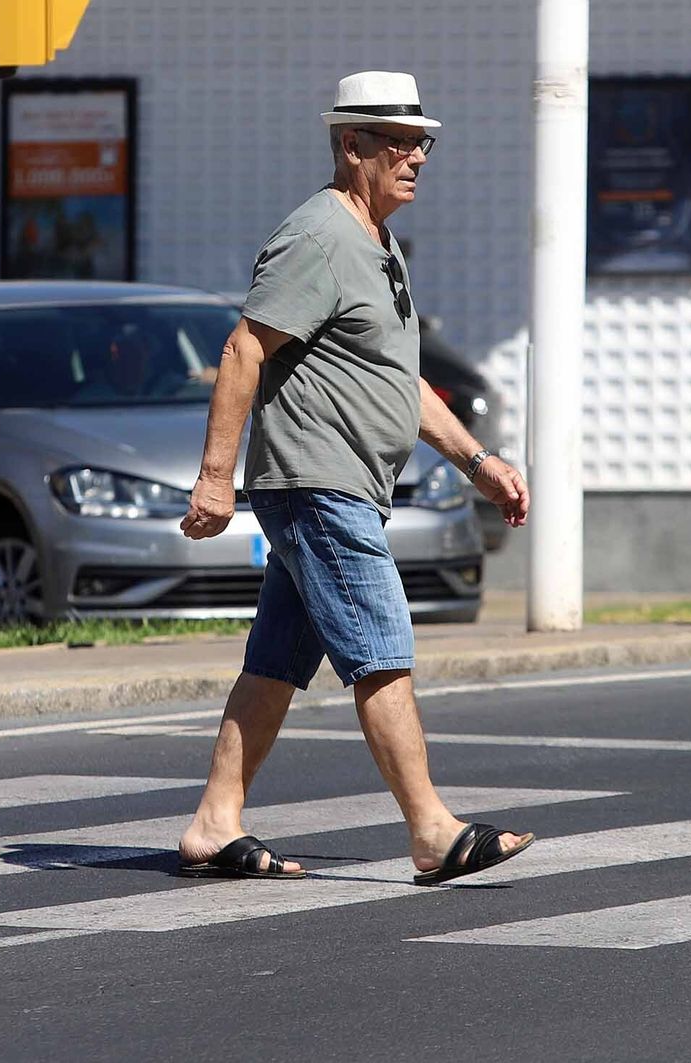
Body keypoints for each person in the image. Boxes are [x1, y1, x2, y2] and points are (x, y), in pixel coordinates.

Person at [176, 71, 534, 885]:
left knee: (275, 664)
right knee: (380, 646)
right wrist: (214, 478)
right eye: (397, 142)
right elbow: (244, 350)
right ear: (351, 146)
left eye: (421, 143)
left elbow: (398, 381)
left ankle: (213, 820)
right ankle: (431, 828)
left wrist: (479, 461)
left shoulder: (374, 244)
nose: (415, 157)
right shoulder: (320, 237)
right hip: (316, 480)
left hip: (342, 480)